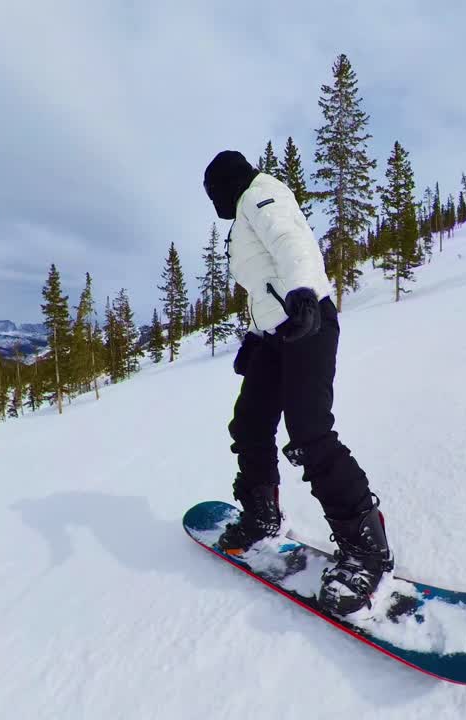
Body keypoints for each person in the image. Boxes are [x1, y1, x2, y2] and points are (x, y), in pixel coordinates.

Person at [202, 149, 393, 616]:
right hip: (278, 332)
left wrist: (304, 293)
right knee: (249, 423)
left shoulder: (261, 194)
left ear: (225, 185)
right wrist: (254, 336)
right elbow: (264, 283)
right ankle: (262, 515)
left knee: (309, 432)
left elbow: (292, 244)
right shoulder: (244, 213)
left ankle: (366, 549)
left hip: (308, 322)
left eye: (213, 195)